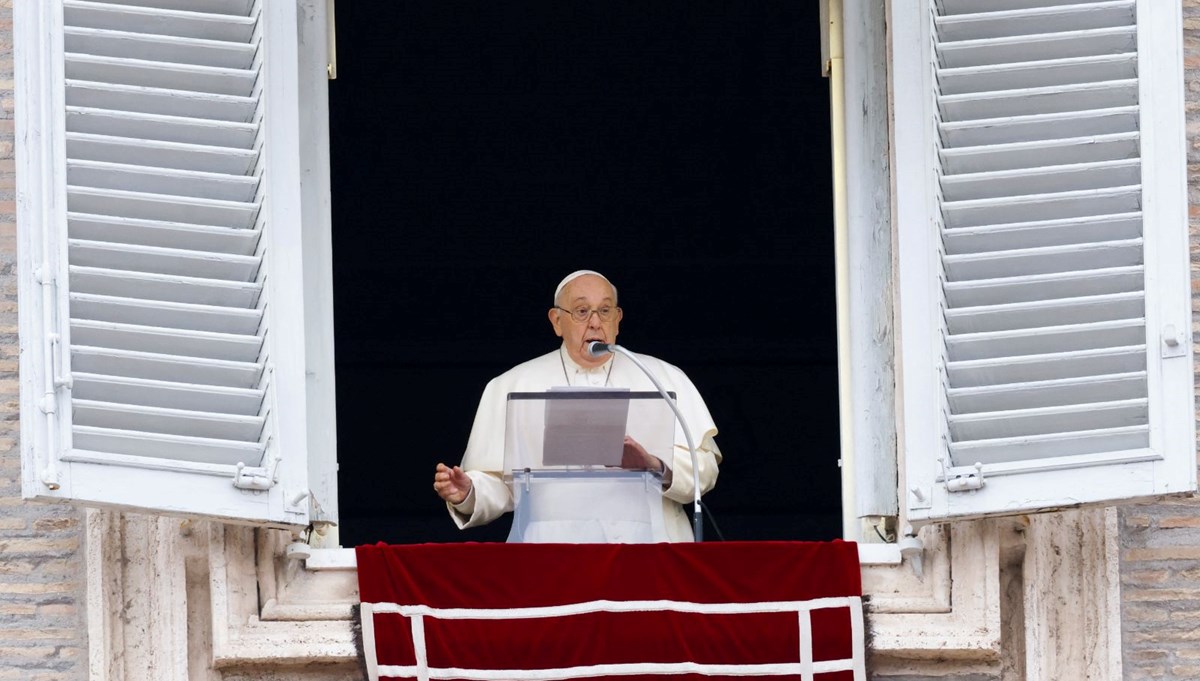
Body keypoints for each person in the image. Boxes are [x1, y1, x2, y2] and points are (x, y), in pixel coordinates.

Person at [432, 269, 722, 542]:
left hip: (651, 546)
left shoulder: (662, 378)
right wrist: (469, 492)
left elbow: (704, 471)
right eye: (582, 312)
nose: (595, 322)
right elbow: (500, 484)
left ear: (618, 319)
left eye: (605, 311)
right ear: (557, 321)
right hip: (552, 553)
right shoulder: (513, 385)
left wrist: (654, 464)